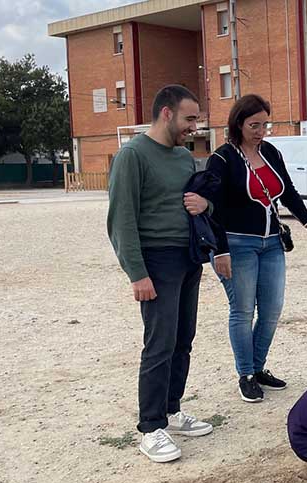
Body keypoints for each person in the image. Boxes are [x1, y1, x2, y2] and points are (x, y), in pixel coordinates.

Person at [107, 84, 214, 463]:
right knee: (159, 343)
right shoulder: (132, 156)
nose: (194, 127)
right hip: (156, 262)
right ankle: (151, 427)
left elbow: (195, 201)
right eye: (188, 118)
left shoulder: (184, 158)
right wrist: (137, 273)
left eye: (196, 119)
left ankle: (171, 409)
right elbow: (121, 220)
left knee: (184, 338)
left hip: (187, 259)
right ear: (166, 113)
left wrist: (205, 203)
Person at [205, 94, 307, 403]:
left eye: (264, 124)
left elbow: (288, 192)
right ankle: (246, 373)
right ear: (238, 124)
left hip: (272, 243)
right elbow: (212, 208)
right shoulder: (222, 158)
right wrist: (220, 251)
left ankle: (258, 368)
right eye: (254, 125)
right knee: (243, 310)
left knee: (271, 311)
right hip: (236, 244)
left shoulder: (270, 152)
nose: (260, 131)